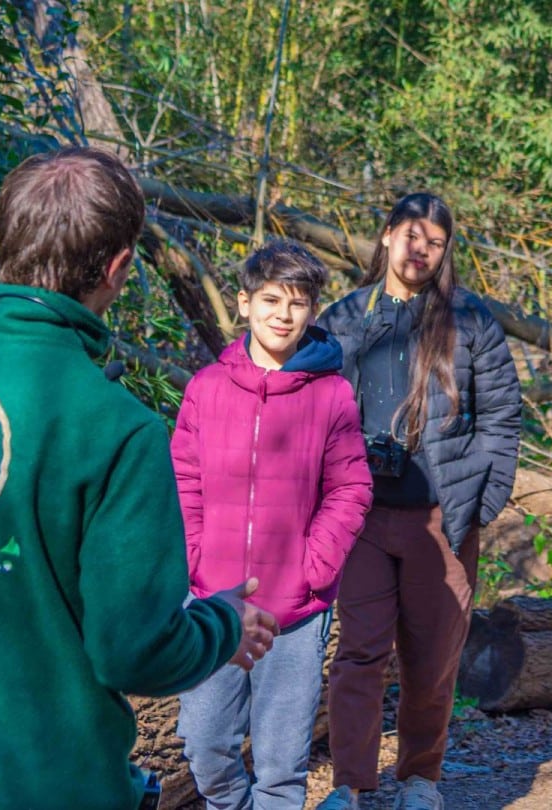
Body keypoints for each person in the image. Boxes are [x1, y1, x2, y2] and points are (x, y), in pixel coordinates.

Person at [0, 147, 278, 808]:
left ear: (5, 240)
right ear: (120, 267)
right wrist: (223, 626)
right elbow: (136, 652)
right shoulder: (117, 429)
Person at [315, 192, 522, 810]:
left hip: (443, 517)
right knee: (358, 653)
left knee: (433, 660)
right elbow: (317, 408)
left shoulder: (472, 320)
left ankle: (420, 779)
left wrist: (479, 509)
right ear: (385, 237)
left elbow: (503, 419)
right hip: (363, 517)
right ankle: (350, 784)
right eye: (410, 234)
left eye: (434, 240)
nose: (420, 248)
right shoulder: (346, 316)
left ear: (446, 249)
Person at [173, 241, 374, 810]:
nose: (283, 314)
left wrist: (315, 568)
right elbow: (182, 481)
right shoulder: (206, 388)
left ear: (312, 311)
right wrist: (194, 561)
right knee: (206, 746)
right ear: (243, 304)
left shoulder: (331, 395)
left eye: (298, 303)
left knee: (281, 769)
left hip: (296, 608)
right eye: (271, 300)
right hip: (213, 604)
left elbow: (351, 487)